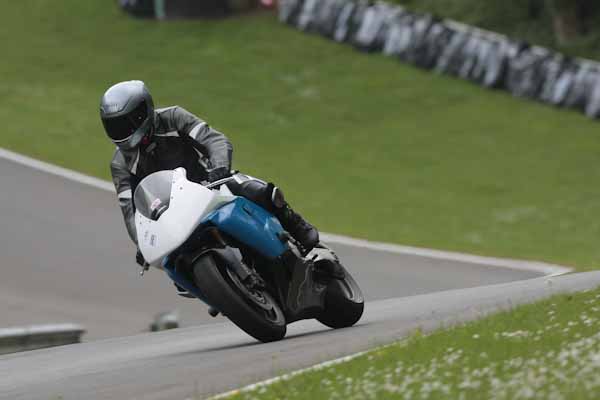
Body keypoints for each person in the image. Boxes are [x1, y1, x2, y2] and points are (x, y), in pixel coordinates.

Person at [100, 80, 319, 268]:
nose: (122, 131)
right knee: (171, 263)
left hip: (210, 185)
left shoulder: (173, 117)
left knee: (256, 190)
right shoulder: (120, 164)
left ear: (143, 111)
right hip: (172, 216)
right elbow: (130, 212)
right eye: (115, 126)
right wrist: (142, 243)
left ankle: (295, 223)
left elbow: (214, 140)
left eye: (126, 123)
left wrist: (219, 168)